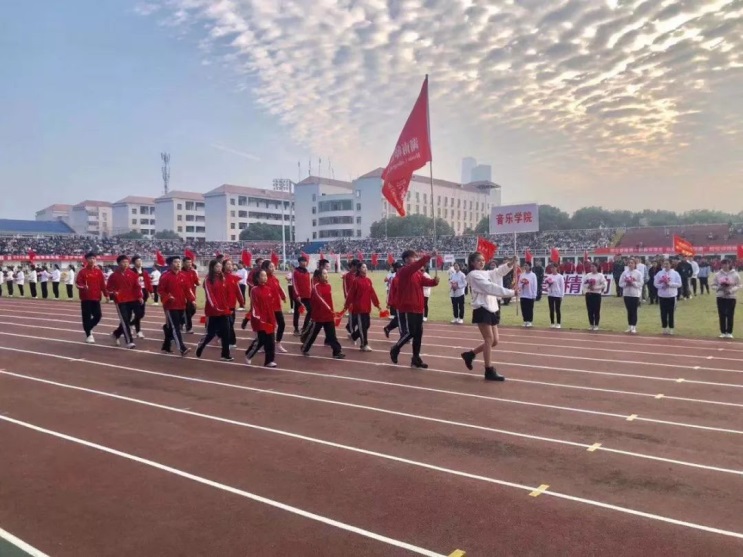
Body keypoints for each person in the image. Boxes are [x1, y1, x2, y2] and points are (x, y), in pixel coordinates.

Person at [460, 251, 515, 381]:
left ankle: (470, 354)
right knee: (489, 339)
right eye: (478, 260)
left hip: (491, 308)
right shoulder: (473, 275)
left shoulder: (486, 273)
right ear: (472, 262)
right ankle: (488, 370)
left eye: (483, 260)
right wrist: (511, 292)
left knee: (495, 341)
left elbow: (497, 272)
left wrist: (510, 264)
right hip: (481, 308)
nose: (482, 262)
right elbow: (489, 287)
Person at [389, 250, 439, 369]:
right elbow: (417, 265)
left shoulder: (417, 273)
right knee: (410, 332)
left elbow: (425, 282)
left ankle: (415, 358)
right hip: (408, 307)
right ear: (406, 259)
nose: (415, 259)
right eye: (413, 257)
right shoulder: (404, 271)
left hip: (418, 307)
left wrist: (434, 282)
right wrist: (429, 256)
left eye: (415, 257)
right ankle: (396, 348)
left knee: (418, 334)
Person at [301, 268, 345, 359]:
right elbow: (320, 299)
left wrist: (331, 311)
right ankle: (305, 348)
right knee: (313, 334)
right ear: (319, 276)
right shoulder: (316, 287)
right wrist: (329, 309)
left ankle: (337, 351)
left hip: (328, 315)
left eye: (326, 273)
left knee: (332, 335)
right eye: (324, 273)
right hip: (319, 315)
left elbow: (329, 300)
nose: (326, 275)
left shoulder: (328, 286)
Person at [196, 259, 233, 361]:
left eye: (220, 266)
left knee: (226, 332)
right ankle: (202, 345)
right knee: (211, 333)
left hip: (224, 310)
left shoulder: (223, 278)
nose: (219, 268)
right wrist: (216, 307)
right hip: (213, 311)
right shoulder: (208, 280)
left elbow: (227, 293)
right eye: (217, 266)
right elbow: (209, 295)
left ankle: (225, 355)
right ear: (212, 267)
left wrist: (228, 306)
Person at [158, 255, 193, 357]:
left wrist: (192, 300)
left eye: (179, 262)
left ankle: (166, 346)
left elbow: (187, 290)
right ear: (170, 264)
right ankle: (182, 348)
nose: (178, 264)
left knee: (171, 327)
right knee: (175, 327)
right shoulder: (165, 276)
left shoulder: (183, 276)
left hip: (181, 305)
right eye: (175, 262)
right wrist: (168, 297)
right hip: (170, 306)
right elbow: (160, 290)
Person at [343, 262, 381, 351]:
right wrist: (346, 305)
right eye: (363, 267)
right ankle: (364, 344)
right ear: (359, 269)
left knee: (367, 325)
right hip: (359, 308)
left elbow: (372, 293)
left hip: (367, 307)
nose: (365, 269)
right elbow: (351, 294)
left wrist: (377, 304)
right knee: (362, 327)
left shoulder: (368, 280)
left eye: (366, 267)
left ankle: (354, 336)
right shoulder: (356, 281)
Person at [106, 255, 141, 349]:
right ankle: (129, 341)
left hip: (132, 300)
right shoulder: (113, 276)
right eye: (123, 262)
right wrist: (114, 292)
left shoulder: (133, 274)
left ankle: (116, 334)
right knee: (125, 320)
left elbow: (137, 286)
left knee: (137, 315)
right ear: (118, 263)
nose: (125, 264)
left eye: (127, 262)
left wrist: (139, 296)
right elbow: (108, 288)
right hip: (120, 301)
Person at [245, 269, 277, 367]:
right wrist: (259, 318)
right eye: (262, 276)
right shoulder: (254, 290)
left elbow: (271, 305)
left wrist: (273, 319)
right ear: (257, 278)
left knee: (271, 340)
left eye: (265, 276)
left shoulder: (268, 289)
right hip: (259, 319)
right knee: (261, 340)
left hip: (269, 318)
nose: (265, 278)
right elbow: (255, 306)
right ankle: (249, 354)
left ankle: (269, 361)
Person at [76, 252, 108, 343]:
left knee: (98, 315)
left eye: (93, 258)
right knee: (86, 316)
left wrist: (106, 295)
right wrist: (83, 287)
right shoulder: (82, 272)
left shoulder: (99, 272)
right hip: (86, 298)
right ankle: (89, 335)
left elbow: (102, 284)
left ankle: (88, 327)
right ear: (86, 260)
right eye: (90, 258)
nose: (92, 260)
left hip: (96, 297)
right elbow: (78, 283)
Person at [261, 259, 287, 353]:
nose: (273, 268)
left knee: (282, 324)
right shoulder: (264, 279)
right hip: (268, 307)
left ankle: (278, 343)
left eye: (273, 266)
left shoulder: (275, 278)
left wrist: (283, 296)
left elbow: (279, 288)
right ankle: (263, 344)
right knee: (269, 326)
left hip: (277, 306)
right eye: (271, 267)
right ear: (265, 268)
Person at [712, 259, 741, 339]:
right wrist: (719, 288)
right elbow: (713, 285)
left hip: (731, 297)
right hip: (720, 297)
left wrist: (731, 290)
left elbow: (739, 285)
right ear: (721, 265)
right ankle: (723, 332)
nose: (725, 265)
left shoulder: (735, 274)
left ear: (730, 264)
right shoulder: (718, 274)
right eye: (724, 264)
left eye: (727, 264)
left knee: (730, 314)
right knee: (722, 314)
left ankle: (729, 332)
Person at [653, 259, 683, 335]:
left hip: (672, 296)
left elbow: (679, 284)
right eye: (664, 264)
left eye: (667, 264)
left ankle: (671, 328)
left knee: (671, 313)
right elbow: (655, 283)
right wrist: (662, 285)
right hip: (662, 296)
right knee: (663, 313)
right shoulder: (659, 273)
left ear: (671, 264)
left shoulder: (675, 273)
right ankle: (664, 328)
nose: (666, 265)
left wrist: (670, 284)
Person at [223, 258, 245, 350]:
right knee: (228, 324)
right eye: (228, 264)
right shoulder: (220, 277)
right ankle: (231, 341)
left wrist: (241, 302)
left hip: (232, 305)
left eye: (231, 264)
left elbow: (238, 291)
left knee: (230, 323)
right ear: (223, 266)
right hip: (223, 306)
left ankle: (223, 337)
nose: (230, 266)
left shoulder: (233, 278)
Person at [130, 256, 153, 339]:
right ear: (134, 263)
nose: (139, 262)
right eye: (137, 261)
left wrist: (151, 292)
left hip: (144, 293)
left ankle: (130, 324)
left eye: (140, 261)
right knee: (138, 313)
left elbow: (148, 282)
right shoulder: (131, 272)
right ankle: (138, 331)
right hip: (135, 295)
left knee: (141, 314)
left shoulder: (145, 272)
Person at [619, 258, 643, 334]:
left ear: (635, 264)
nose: (630, 264)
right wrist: (626, 283)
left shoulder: (638, 273)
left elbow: (641, 283)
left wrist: (633, 283)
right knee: (629, 310)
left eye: (632, 263)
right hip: (626, 294)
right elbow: (620, 283)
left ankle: (634, 326)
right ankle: (629, 326)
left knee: (634, 310)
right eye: (629, 263)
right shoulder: (624, 273)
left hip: (635, 294)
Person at [582, 262, 607, 331]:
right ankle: (591, 324)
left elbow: (604, 284)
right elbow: (584, 283)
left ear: (597, 267)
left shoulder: (600, 275)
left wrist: (595, 287)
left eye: (593, 267)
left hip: (596, 294)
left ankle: (596, 325)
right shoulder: (588, 275)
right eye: (591, 267)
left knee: (596, 310)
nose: (592, 268)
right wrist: (588, 286)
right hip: (589, 294)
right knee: (590, 310)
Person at [292, 256, 312, 336]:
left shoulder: (307, 272)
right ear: (299, 262)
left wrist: (311, 293)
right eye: (303, 261)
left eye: (305, 261)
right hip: (298, 296)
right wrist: (297, 295)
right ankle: (296, 329)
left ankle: (304, 327)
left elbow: (310, 284)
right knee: (297, 312)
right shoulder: (296, 272)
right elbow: (294, 284)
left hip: (307, 295)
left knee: (311, 310)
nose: (304, 263)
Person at [383, 261, 403, 338]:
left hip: (402, 300)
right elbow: (391, 290)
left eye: (401, 267)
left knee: (399, 318)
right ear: (396, 269)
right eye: (399, 268)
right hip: (397, 300)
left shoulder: (396, 275)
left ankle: (388, 328)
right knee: (401, 319)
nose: (401, 269)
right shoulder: (394, 276)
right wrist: (390, 301)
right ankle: (403, 335)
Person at [182, 256, 200, 333]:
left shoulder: (193, 272)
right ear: (183, 263)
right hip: (184, 295)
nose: (189, 264)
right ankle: (188, 328)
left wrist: (198, 282)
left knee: (193, 310)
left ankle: (181, 322)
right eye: (187, 262)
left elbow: (197, 282)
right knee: (188, 312)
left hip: (192, 294)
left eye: (190, 262)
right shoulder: (180, 272)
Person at [342, 260, 359, 337]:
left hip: (359, 299)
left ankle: (349, 327)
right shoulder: (347, 276)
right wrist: (348, 300)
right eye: (357, 266)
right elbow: (345, 288)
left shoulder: (359, 275)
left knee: (358, 316)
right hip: (351, 300)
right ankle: (351, 331)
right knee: (352, 315)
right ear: (353, 266)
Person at [545, 264, 565, 328]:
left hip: (557, 295)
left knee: (557, 309)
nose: (552, 269)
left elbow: (562, 286)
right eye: (551, 268)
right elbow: (546, 285)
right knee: (551, 309)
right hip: (550, 294)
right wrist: (549, 285)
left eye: (554, 267)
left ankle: (558, 323)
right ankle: (552, 323)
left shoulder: (560, 276)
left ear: (556, 268)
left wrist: (561, 295)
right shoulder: (549, 276)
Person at [518, 262, 538, 327]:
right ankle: (525, 320)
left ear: (530, 266)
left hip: (530, 294)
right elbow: (519, 284)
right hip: (523, 294)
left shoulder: (533, 275)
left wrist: (534, 295)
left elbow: (535, 285)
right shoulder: (522, 275)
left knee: (529, 308)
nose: (525, 266)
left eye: (526, 265)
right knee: (523, 308)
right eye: (524, 265)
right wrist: (522, 283)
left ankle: (529, 321)